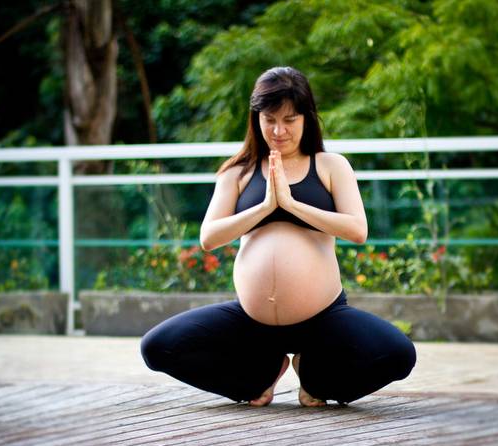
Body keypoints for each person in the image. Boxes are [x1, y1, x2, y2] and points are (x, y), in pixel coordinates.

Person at [140, 66, 416, 407]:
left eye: (290, 119)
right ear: (256, 118)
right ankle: (258, 378)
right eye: (269, 118)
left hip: (323, 318)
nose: (278, 130)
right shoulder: (237, 172)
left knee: (399, 355)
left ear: (307, 119)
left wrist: (291, 203)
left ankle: (316, 379)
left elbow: (357, 230)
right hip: (251, 321)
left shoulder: (330, 166)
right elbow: (209, 237)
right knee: (156, 348)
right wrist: (266, 206)